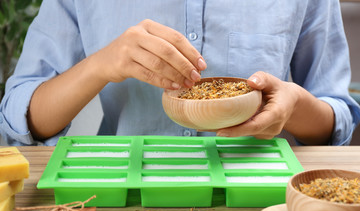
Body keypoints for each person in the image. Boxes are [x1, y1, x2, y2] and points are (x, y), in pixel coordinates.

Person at [0, 0, 359, 146]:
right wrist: (100, 65)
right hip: (124, 189)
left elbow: (337, 117)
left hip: (261, 190)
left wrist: (294, 106)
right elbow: (22, 116)